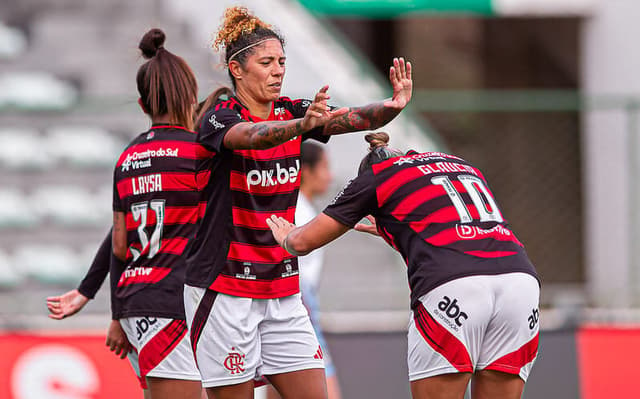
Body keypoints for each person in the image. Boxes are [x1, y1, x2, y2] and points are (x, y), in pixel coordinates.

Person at [183, 6, 412, 399]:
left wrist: (389, 108)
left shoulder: (292, 110)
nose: (278, 70)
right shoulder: (219, 118)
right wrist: (301, 127)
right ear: (237, 69)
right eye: (266, 62)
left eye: (282, 62)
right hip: (225, 288)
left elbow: (348, 118)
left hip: (282, 289)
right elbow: (253, 137)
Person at [266, 132, 540, 399]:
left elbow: (303, 243)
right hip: (520, 283)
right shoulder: (461, 164)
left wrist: (286, 237)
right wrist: (392, 230)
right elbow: (454, 226)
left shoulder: (377, 177)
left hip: (454, 288)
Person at [111, 28, 205, 399]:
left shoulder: (126, 158)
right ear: (192, 97)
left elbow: (120, 246)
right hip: (175, 302)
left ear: (142, 105)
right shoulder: (199, 153)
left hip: (138, 302)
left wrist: (116, 315)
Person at [266, 142, 342, 399]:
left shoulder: (304, 207)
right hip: (297, 311)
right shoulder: (296, 210)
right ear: (306, 171)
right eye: (324, 167)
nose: (329, 176)